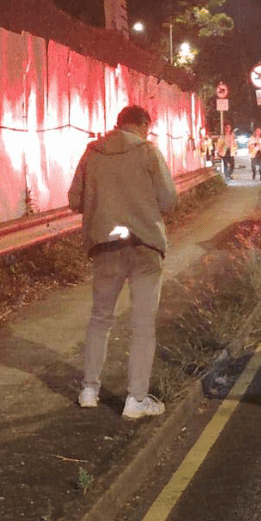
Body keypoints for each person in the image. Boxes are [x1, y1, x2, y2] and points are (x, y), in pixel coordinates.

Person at [68, 104, 178, 419]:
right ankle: (136, 400)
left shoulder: (92, 153)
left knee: (100, 319)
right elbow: (169, 200)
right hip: (144, 247)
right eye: (148, 127)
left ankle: (89, 390)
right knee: (142, 324)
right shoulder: (148, 152)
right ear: (142, 124)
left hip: (105, 247)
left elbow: (74, 200)